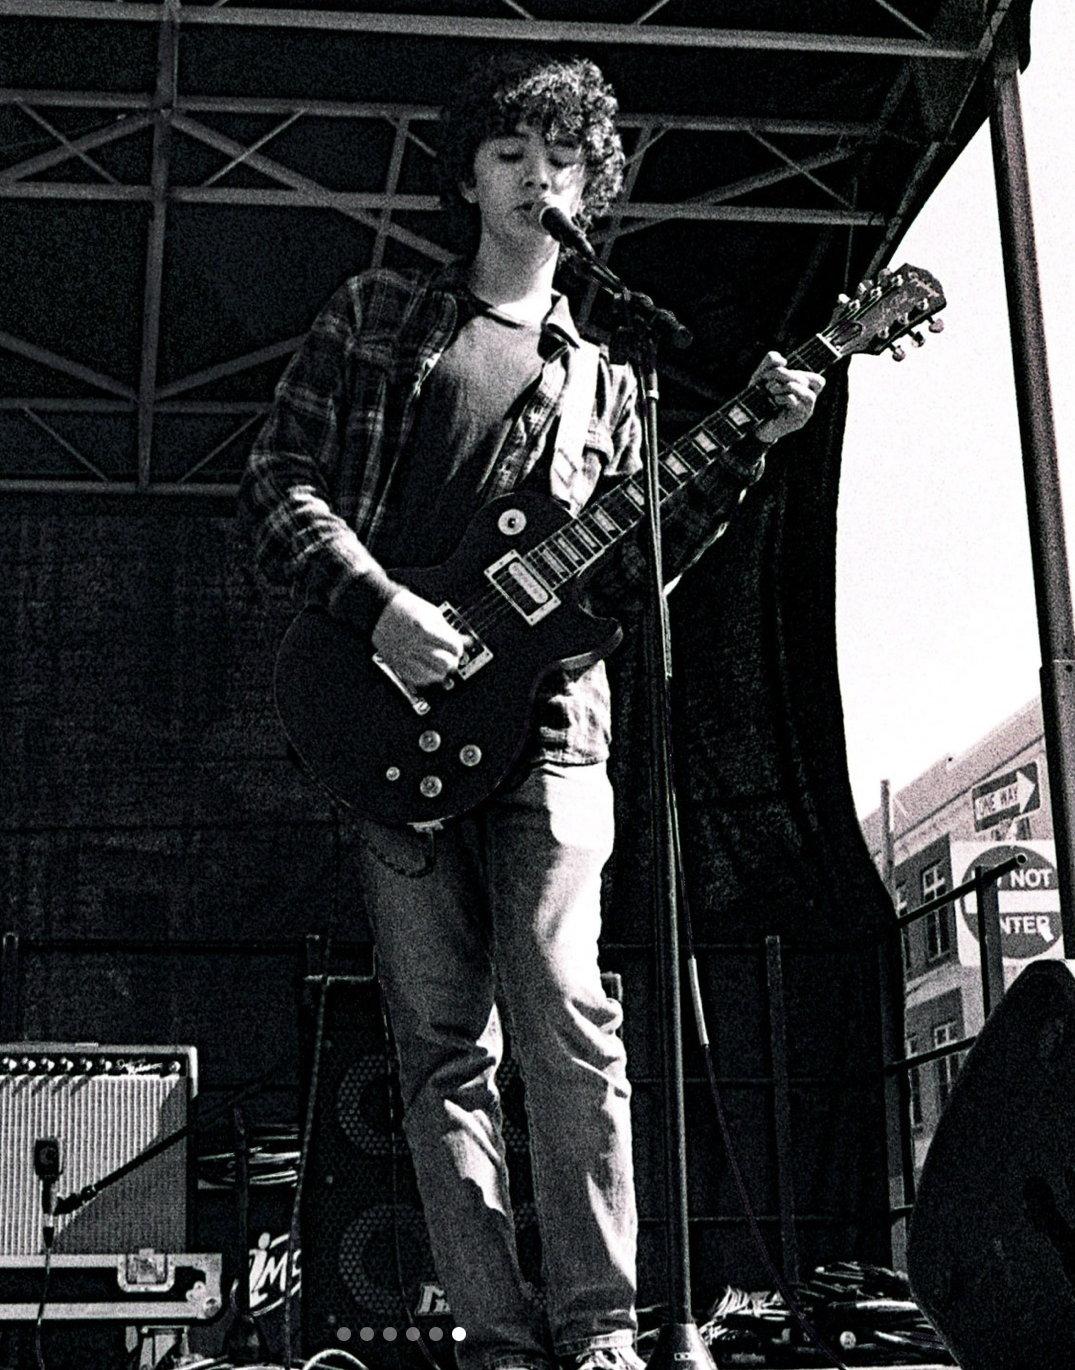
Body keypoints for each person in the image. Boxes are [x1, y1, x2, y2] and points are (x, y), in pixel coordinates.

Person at [240, 51, 824, 1370]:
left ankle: (600, 1324)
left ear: (591, 190)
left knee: (567, 1008)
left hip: (555, 718)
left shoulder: (613, 385)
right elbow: (275, 479)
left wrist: (745, 450)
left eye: (561, 159)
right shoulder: (382, 314)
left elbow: (633, 568)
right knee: (443, 1046)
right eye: (510, 152)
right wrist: (382, 606)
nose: (536, 175)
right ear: (466, 175)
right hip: (386, 714)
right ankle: (499, 1340)